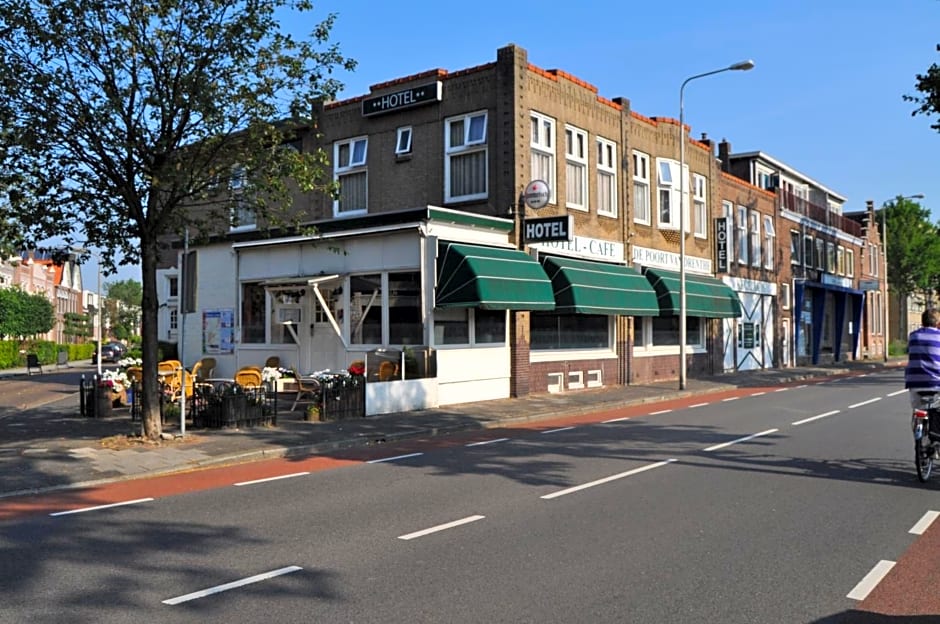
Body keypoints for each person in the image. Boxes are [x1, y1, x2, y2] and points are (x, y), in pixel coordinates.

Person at [905, 308, 940, 409]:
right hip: (937, 383)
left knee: (918, 408)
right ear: (937, 322)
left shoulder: (913, 336)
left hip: (914, 382)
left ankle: (917, 421)